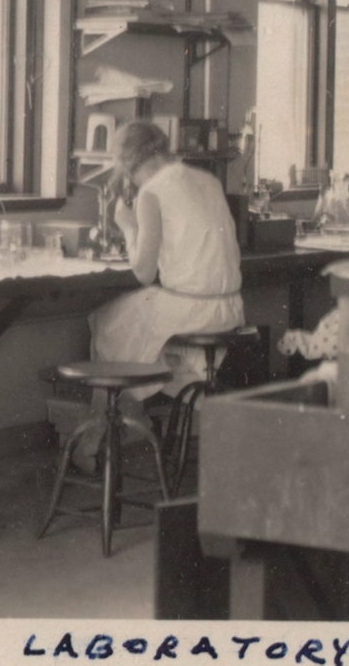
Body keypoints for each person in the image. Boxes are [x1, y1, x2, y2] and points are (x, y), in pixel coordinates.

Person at [85, 121, 244, 457]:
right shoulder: (208, 180)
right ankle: (141, 414)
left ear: (127, 164)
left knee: (104, 322)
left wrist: (128, 226)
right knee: (145, 339)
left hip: (190, 311)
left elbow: (143, 273)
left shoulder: (152, 191)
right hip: (230, 310)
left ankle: (97, 440)